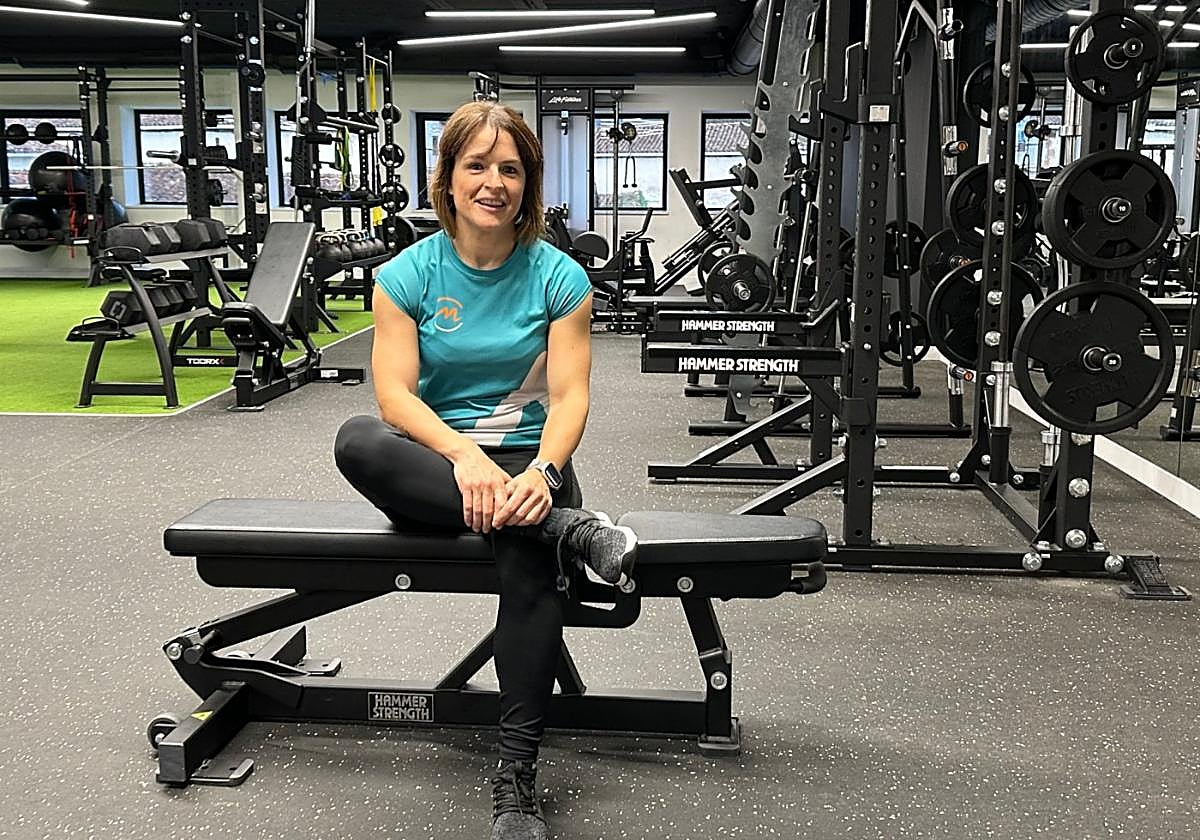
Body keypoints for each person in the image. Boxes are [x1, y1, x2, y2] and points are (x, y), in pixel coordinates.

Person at [333, 100, 637, 840]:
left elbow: (570, 397)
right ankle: (572, 530)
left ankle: (516, 782)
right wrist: (465, 456)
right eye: (477, 165)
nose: (493, 182)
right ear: (449, 177)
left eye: (510, 168)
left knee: (527, 562)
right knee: (357, 441)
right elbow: (395, 397)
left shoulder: (560, 278)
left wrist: (542, 472)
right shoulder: (407, 274)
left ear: (527, 183)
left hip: (535, 465)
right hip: (438, 466)